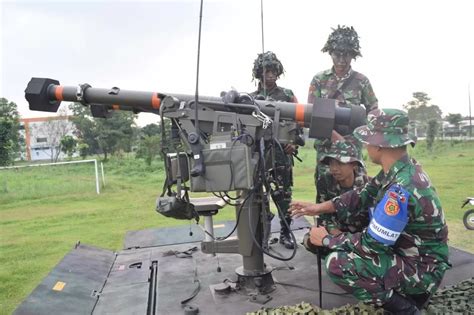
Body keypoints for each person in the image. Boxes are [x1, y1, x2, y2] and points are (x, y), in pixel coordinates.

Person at [290, 109, 450, 314]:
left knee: (338, 263)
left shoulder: (400, 189)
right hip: (415, 258)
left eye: (368, 140)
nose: (365, 145)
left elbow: (372, 245)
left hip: (422, 271)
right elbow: (362, 194)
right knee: (342, 248)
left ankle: (408, 308)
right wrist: (317, 208)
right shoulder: (400, 169)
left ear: (380, 145)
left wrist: (328, 239)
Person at [307, 25, 378, 203]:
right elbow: (311, 114)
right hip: (326, 150)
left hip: (352, 150)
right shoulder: (319, 80)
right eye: (337, 54)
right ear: (330, 53)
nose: (341, 59)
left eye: (346, 54)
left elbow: (373, 110)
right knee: (325, 194)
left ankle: (356, 231)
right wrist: (334, 135)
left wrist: (365, 135)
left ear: (353, 54)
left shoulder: (361, 81)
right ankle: (325, 230)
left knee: (357, 196)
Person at [250, 51, 300, 249]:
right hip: (259, 155)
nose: (270, 75)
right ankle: (262, 235)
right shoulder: (250, 98)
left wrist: (294, 143)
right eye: (266, 71)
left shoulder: (287, 95)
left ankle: (286, 233)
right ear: (258, 73)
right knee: (257, 196)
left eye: (274, 71)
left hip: (281, 154)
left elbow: (299, 120)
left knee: (283, 196)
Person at [316, 140, 369, 235]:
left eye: (340, 163)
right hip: (335, 231)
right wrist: (335, 233)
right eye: (331, 163)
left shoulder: (366, 184)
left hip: (360, 235)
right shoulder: (325, 180)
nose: (334, 168)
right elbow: (322, 213)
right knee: (310, 240)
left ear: (354, 165)